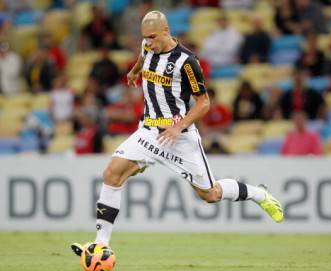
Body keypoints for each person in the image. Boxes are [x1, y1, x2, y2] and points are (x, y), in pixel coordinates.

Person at [70, 10, 283, 256]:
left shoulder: (187, 62)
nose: (148, 42)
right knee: (112, 173)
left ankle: (259, 194)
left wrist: (178, 126)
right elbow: (143, 56)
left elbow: (204, 103)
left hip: (179, 137)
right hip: (149, 130)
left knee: (210, 194)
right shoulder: (146, 45)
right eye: (145, 37)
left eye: (152, 36)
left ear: (166, 31)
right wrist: (135, 71)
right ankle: (101, 244)